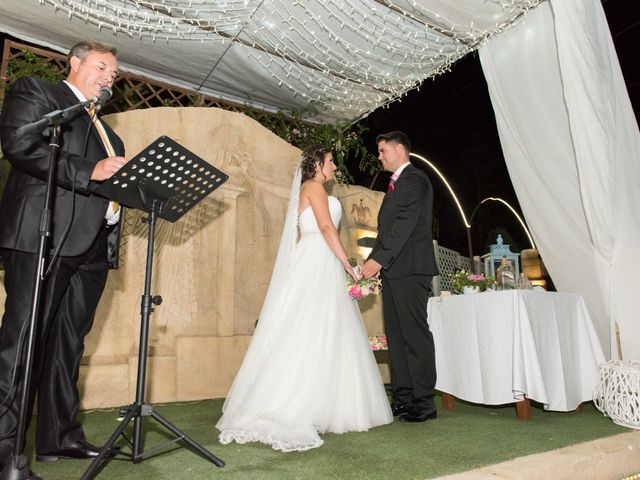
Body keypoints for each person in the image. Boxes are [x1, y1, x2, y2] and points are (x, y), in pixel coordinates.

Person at [0, 39, 126, 476]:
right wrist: (87, 170)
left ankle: (60, 438)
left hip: (91, 248)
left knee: (68, 345)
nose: (109, 76)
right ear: (74, 63)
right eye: (101, 66)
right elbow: (19, 143)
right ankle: (5, 454)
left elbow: (109, 185)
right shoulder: (38, 93)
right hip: (43, 236)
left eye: (114, 73)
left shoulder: (110, 133)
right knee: (22, 344)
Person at [216, 144, 392, 452]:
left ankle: (326, 402)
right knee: (314, 329)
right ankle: (297, 401)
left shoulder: (310, 189)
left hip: (316, 260)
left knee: (323, 329)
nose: (335, 167)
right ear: (318, 165)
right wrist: (348, 265)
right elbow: (325, 227)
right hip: (319, 261)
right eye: (331, 162)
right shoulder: (313, 187)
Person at [361, 131, 439, 423]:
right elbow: (386, 233)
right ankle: (404, 398)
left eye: (382, 151)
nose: (379, 156)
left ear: (400, 150)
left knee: (414, 336)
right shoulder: (395, 186)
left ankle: (423, 402)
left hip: (411, 270)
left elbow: (405, 224)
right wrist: (368, 265)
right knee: (396, 337)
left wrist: (379, 261)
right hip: (394, 271)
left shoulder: (415, 180)